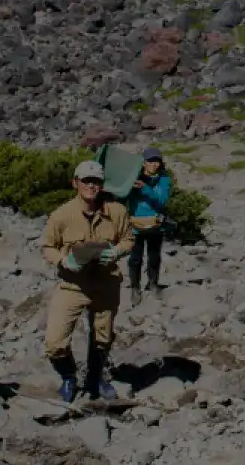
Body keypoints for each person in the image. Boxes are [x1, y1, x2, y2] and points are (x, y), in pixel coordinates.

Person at [41, 158, 132, 403]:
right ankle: (68, 377)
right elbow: (48, 247)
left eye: (96, 181)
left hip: (106, 282)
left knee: (103, 337)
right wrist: (63, 261)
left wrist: (117, 251)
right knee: (54, 342)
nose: (91, 186)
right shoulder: (61, 215)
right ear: (75, 183)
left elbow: (128, 239)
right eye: (86, 181)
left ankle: (95, 377)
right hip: (73, 284)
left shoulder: (117, 212)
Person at [126, 149, 175, 295]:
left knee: (154, 257)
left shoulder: (164, 180)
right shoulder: (133, 178)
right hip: (136, 225)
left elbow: (161, 201)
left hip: (156, 225)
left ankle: (153, 284)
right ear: (143, 163)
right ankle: (135, 287)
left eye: (156, 161)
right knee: (135, 258)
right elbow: (121, 195)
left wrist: (145, 188)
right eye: (150, 161)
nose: (154, 164)